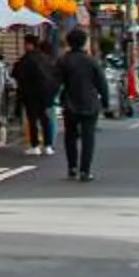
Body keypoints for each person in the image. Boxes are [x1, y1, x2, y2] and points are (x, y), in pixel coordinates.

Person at [56, 26, 110, 182]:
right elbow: (102, 83)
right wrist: (105, 102)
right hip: (90, 102)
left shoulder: (63, 61)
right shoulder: (91, 61)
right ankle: (85, 171)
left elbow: (56, 81)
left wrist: (52, 99)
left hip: (70, 102)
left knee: (70, 136)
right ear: (84, 42)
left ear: (68, 43)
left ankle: (72, 168)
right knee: (88, 137)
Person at [11, 28, 60, 156]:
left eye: (25, 44)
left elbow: (16, 73)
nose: (24, 46)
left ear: (29, 44)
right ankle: (48, 145)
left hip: (30, 93)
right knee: (45, 118)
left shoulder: (27, 58)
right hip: (45, 93)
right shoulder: (46, 58)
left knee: (32, 119)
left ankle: (35, 145)